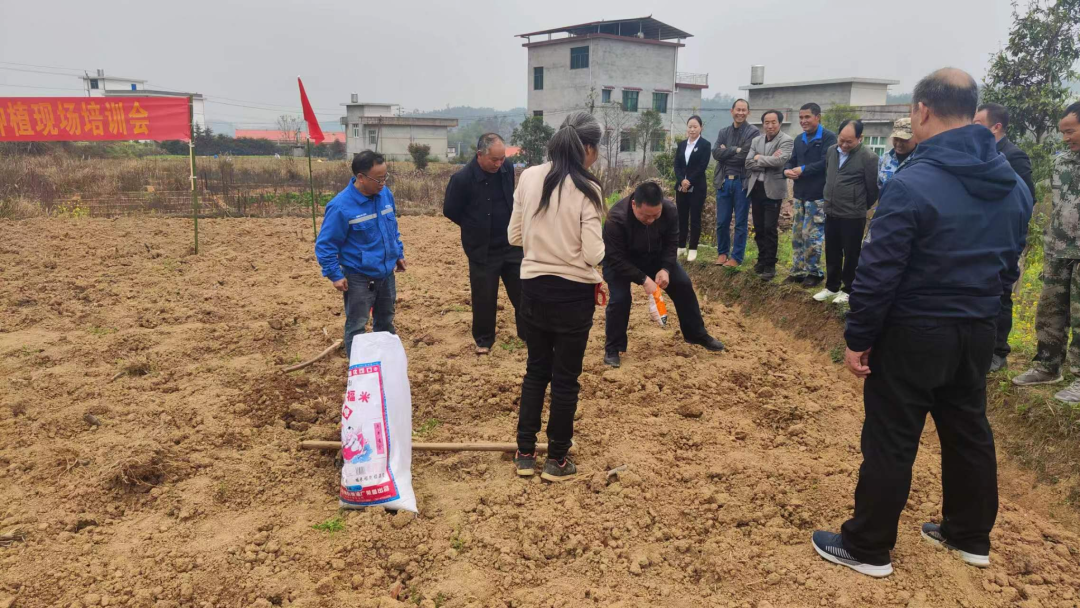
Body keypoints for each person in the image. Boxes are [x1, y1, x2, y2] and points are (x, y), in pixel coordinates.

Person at [811, 68, 1031, 578]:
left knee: (891, 435)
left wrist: (859, 337)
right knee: (967, 428)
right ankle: (969, 535)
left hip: (915, 331)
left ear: (923, 110)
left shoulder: (911, 184)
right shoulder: (1014, 186)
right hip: (977, 329)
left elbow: (878, 272)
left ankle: (866, 545)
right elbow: (1009, 266)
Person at [508, 111, 605, 483]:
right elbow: (594, 254)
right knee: (565, 378)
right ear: (590, 148)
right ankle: (558, 459)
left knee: (536, 370)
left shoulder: (529, 176)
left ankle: (525, 454)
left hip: (531, 289)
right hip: (572, 295)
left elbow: (514, 237)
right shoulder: (588, 188)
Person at [602, 181, 725, 367]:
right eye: (645, 217)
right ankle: (613, 347)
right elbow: (615, 258)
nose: (651, 220)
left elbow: (671, 242)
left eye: (655, 216)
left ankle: (696, 334)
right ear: (634, 204)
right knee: (620, 299)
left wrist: (666, 268)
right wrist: (644, 279)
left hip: (655, 258)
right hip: (621, 263)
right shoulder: (616, 218)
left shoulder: (669, 210)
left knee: (683, 284)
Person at [1013, 102, 1080, 401]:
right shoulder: (1061, 162)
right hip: (1058, 248)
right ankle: (1048, 365)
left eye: (1071, 131)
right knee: (1050, 309)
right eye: (1063, 133)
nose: (1066, 138)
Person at [315, 151, 407, 358]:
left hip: (385, 273)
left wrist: (397, 253)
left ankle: (384, 362)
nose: (383, 183)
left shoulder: (385, 195)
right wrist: (334, 274)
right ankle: (357, 368)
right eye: (378, 179)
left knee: (385, 320)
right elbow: (326, 244)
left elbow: (392, 229)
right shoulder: (341, 206)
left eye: (385, 177)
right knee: (357, 324)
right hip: (359, 276)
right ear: (361, 177)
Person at [443, 133, 524, 355]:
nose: (499, 164)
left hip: (511, 243)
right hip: (482, 249)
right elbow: (450, 211)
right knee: (484, 296)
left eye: (502, 159)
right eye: (494, 160)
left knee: (523, 291)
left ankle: (527, 334)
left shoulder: (506, 168)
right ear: (480, 155)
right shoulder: (462, 179)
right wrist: (474, 226)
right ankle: (484, 340)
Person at [973, 103, 1037, 372]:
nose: (971, 128)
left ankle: (998, 351)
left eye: (977, 123)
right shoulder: (977, 155)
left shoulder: (1014, 157)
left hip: (1005, 241)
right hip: (979, 238)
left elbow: (1026, 201)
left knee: (1000, 295)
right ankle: (978, 347)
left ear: (995, 127)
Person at [814, 120, 880, 304]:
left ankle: (848, 288)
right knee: (832, 250)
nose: (843, 145)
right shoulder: (831, 151)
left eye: (849, 142)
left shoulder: (869, 157)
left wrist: (858, 205)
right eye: (841, 140)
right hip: (832, 209)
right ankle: (831, 286)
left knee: (851, 252)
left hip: (853, 214)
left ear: (860, 138)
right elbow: (829, 176)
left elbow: (872, 189)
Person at [784, 103, 837, 287]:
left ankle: (815, 272)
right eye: (801, 118)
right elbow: (791, 161)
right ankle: (798, 271)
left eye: (807, 117)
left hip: (818, 195)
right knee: (797, 234)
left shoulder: (829, 138)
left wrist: (803, 169)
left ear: (818, 117)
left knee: (811, 235)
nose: (803, 121)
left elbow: (825, 162)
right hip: (800, 194)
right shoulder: (799, 139)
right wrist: (787, 171)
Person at [743, 110, 793, 281]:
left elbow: (780, 161)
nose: (770, 126)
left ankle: (770, 265)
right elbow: (748, 163)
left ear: (780, 123)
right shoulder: (756, 140)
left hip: (773, 190)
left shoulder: (786, 140)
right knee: (758, 227)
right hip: (756, 188)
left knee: (769, 228)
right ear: (763, 123)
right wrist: (766, 160)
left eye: (773, 122)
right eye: (766, 122)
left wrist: (759, 158)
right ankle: (762, 259)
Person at [711, 99, 759, 267]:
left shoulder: (753, 132)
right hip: (724, 181)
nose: (740, 113)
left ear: (748, 112)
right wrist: (734, 150)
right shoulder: (724, 132)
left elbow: (746, 157)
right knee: (722, 221)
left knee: (740, 222)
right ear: (732, 111)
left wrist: (727, 152)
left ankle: (736, 257)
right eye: (737, 109)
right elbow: (716, 153)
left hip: (742, 182)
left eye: (743, 110)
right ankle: (722, 253)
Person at [673, 116, 712, 262]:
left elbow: (702, 166)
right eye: (690, 126)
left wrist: (689, 181)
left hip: (697, 187)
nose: (692, 129)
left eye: (695, 126)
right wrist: (681, 180)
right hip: (681, 187)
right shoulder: (682, 144)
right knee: (681, 217)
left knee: (695, 218)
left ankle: (693, 248)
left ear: (701, 127)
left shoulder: (705, 145)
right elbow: (677, 165)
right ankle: (681, 246)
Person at [877, 117, 918, 190]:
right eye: (896, 139)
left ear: (916, 138)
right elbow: (879, 186)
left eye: (904, 140)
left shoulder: (920, 160)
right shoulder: (885, 158)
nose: (898, 144)